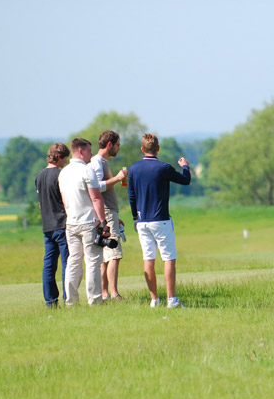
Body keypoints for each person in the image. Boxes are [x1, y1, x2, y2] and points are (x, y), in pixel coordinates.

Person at [128, 133, 191, 308]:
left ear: (142, 149)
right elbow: (186, 180)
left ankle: (154, 300)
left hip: (142, 221)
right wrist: (185, 166)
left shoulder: (133, 169)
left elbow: (131, 196)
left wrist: (135, 217)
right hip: (161, 220)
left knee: (148, 259)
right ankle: (171, 299)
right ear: (158, 149)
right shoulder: (163, 167)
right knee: (169, 259)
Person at [58, 137, 111, 306]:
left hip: (71, 223)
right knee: (93, 262)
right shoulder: (87, 171)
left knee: (73, 262)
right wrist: (103, 222)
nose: (91, 154)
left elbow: (64, 201)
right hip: (88, 222)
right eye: (89, 150)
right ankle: (95, 300)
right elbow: (96, 199)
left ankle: (71, 301)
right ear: (80, 151)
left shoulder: (63, 173)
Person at [89, 130, 127, 301]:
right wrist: (118, 178)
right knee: (114, 253)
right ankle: (113, 293)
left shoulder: (100, 162)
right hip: (106, 212)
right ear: (110, 144)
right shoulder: (97, 163)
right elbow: (97, 187)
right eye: (117, 145)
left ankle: (104, 294)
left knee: (105, 257)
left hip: (107, 212)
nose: (119, 148)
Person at [35, 142, 71, 307]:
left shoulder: (39, 176)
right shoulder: (61, 175)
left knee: (49, 265)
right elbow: (65, 200)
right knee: (67, 264)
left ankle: (50, 300)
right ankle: (68, 298)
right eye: (65, 158)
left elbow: (41, 203)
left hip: (47, 226)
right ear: (60, 157)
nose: (66, 162)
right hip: (62, 224)